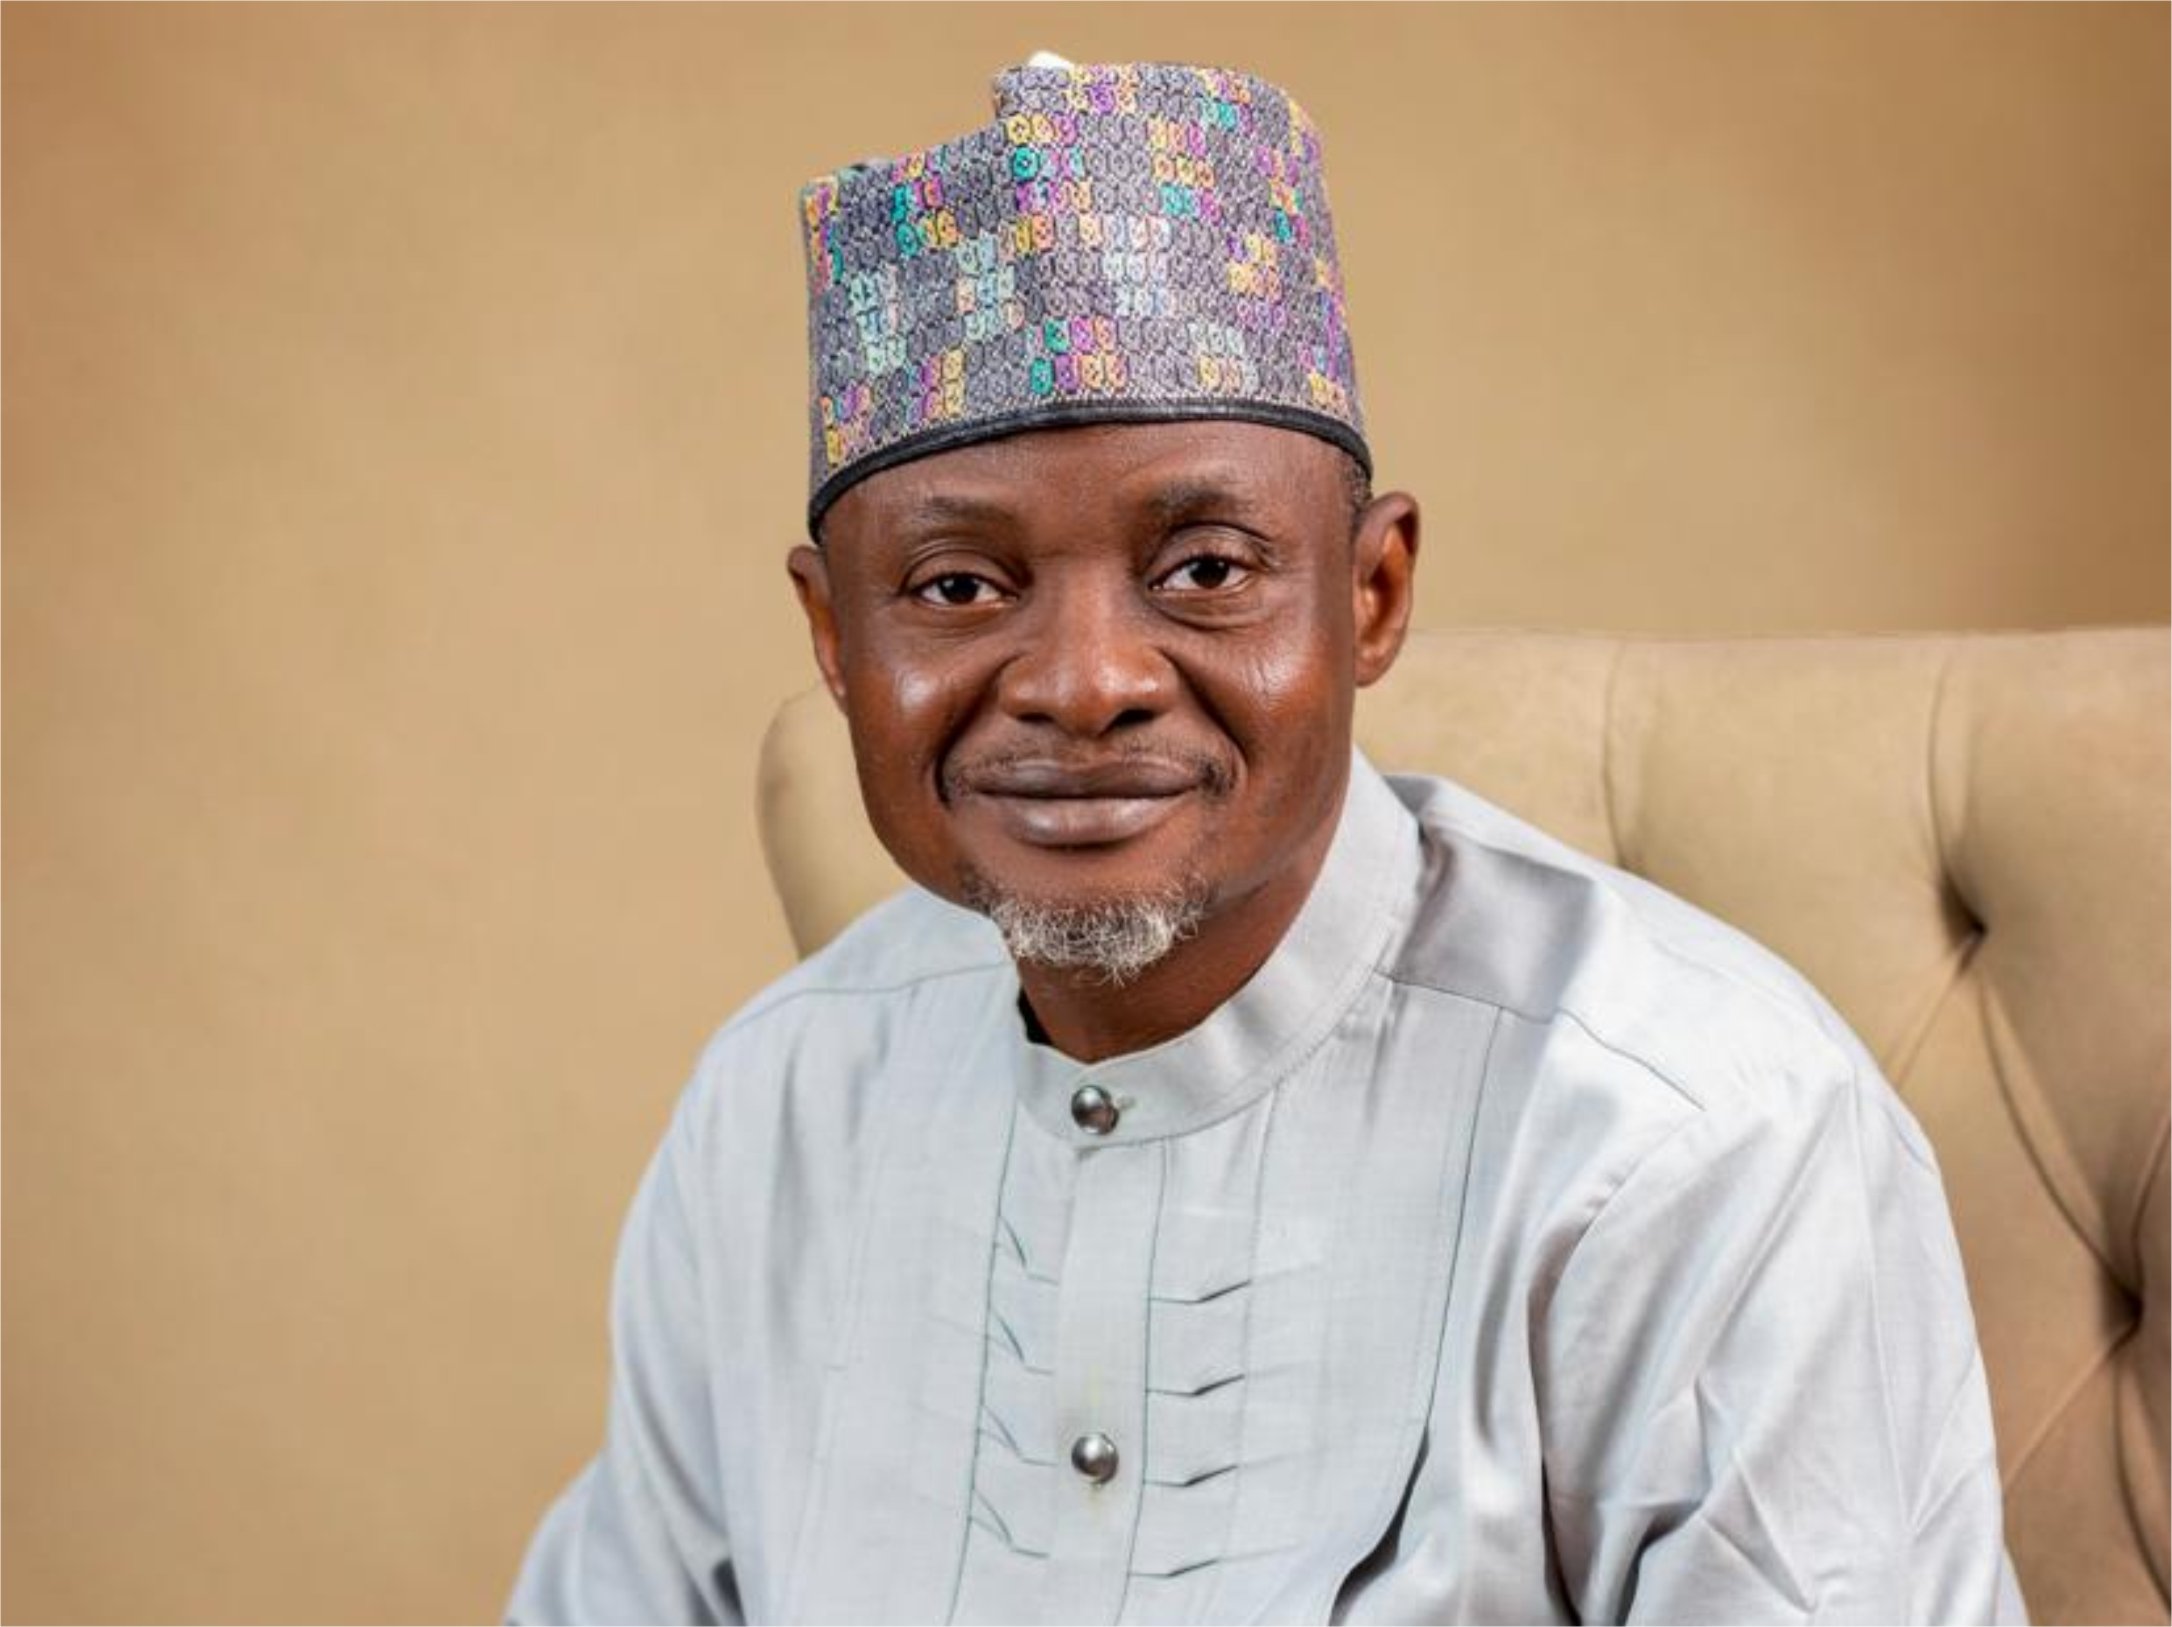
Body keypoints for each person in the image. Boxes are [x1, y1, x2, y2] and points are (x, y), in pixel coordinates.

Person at [510, 57, 2022, 1624]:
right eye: (958, 586)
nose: (1084, 683)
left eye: (1207, 570)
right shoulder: (775, 1112)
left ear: (1371, 595)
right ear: (835, 639)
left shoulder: (1690, 1143)